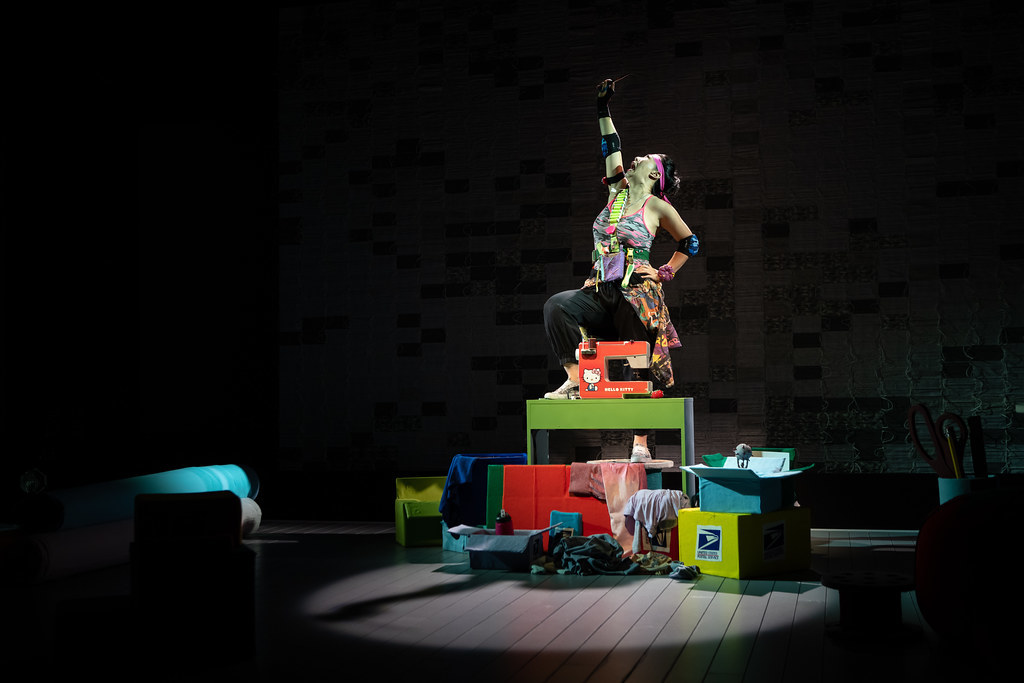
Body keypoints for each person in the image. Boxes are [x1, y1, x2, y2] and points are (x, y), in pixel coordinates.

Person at [541, 77, 699, 463]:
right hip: (600, 289)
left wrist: (664, 272)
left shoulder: (657, 207)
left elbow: (690, 243)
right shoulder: (617, 193)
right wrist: (602, 107)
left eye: (644, 159)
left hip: (635, 294)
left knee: (637, 360)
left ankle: (641, 445)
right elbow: (611, 145)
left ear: (654, 174)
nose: (636, 158)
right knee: (558, 306)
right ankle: (576, 381)